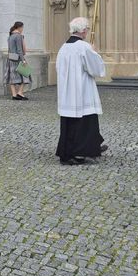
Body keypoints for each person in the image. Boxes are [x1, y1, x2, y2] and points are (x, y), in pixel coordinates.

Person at [55, 17, 107, 165]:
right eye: (87, 29)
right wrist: (95, 52)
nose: (87, 32)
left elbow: (59, 68)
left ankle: (82, 148)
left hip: (67, 92)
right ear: (83, 30)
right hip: (82, 91)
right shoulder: (83, 47)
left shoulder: (63, 47)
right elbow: (95, 68)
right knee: (85, 121)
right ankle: (81, 152)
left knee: (70, 123)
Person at [3, 21, 30, 100]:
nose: (22, 29)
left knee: (12, 77)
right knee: (26, 74)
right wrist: (23, 60)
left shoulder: (10, 36)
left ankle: (14, 95)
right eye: (22, 28)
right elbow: (19, 50)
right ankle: (20, 93)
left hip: (11, 58)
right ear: (19, 27)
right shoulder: (18, 36)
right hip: (18, 59)